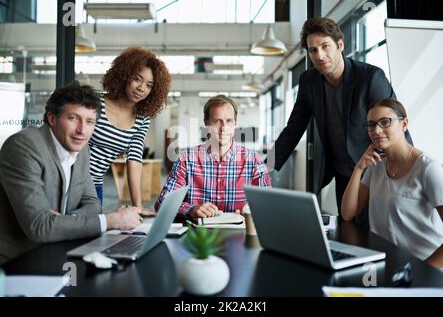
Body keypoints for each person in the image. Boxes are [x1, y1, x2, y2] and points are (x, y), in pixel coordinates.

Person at [268, 17, 412, 219]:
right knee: (349, 232)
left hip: (376, 173)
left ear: (340, 45)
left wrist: (408, 176)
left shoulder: (370, 78)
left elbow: (394, 128)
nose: (320, 55)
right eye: (313, 50)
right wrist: (264, 167)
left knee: (380, 236)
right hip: (344, 175)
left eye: (325, 46)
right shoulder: (309, 82)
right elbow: (293, 130)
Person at [0, 81, 143, 264]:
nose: (82, 130)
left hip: (55, 249)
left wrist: (65, 221)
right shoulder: (24, 147)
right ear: (52, 119)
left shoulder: (82, 150)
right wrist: (110, 221)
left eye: (90, 121)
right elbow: (40, 226)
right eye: (73, 118)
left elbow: (93, 205)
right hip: (15, 261)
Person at [341, 99, 443, 269]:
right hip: (386, 265)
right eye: (371, 125)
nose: (377, 130)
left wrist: (421, 272)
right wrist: (359, 168)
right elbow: (347, 213)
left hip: (424, 270)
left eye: (385, 122)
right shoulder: (376, 164)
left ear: (404, 124)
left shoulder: (429, 169)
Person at [154, 95, 271, 218]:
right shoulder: (187, 159)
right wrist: (190, 209)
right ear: (206, 123)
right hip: (198, 235)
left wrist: (250, 210)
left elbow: (268, 204)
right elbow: (162, 203)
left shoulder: (254, 161)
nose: (224, 128)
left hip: (240, 233)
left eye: (229, 121)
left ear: (235, 123)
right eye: (217, 121)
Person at [88, 47, 171, 213]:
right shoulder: (95, 103)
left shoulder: (142, 118)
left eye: (149, 85)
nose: (141, 88)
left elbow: (134, 159)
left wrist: (137, 207)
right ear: (125, 75)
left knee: (91, 233)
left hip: (94, 186)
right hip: (67, 180)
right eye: (137, 79)